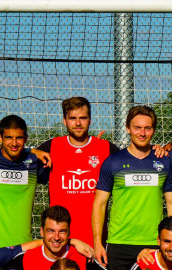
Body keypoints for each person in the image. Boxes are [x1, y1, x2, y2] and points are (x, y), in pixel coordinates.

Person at [92, 105, 172, 270]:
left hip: (153, 243)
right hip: (119, 243)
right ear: (128, 129)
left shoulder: (164, 162)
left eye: (147, 128)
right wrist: (97, 243)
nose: (142, 133)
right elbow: (99, 204)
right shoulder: (113, 162)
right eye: (137, 127)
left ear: (153, 130)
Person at [35, 96, 119, 247]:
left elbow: (133, 160)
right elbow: (18, 156)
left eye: (83, 118)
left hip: (96, 242)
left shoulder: (107, 149)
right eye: (72, 118)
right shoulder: (51, 147)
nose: (78, 123)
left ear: (90, 120)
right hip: (60, 241)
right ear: (64, 121)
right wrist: (32, 150)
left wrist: (158, 149)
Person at [0, 114, 47, 249]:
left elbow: (62, 176)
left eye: (19, 138)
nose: (14, 143)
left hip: (24, 247)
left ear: (26, 139)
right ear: (0, 138)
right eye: (9, 138)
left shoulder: (34, 162)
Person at [6, 205, 106, 270]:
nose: (57, 237)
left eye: (62, 231)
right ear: (41, 231)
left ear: (69, 232)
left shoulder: (83, 257)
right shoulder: (25, 259)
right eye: (51, 231)